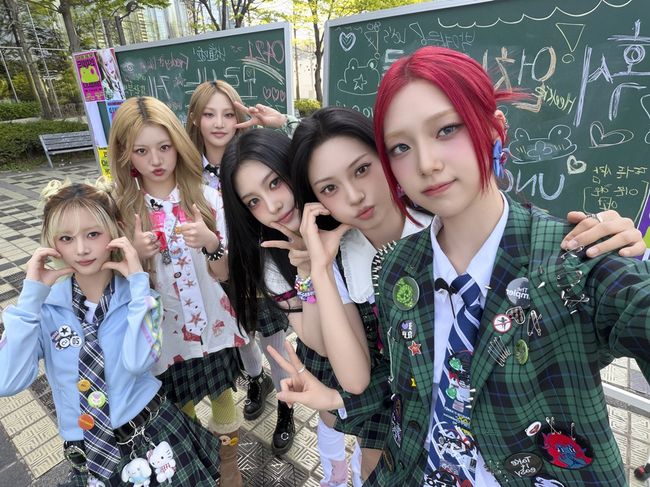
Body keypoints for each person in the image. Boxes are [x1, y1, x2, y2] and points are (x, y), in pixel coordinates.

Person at [269, 46, 650, 487]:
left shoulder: (576, 260)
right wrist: (336, 401)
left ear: (494, 128)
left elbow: (633, 306)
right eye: (401, 147)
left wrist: (631, 256)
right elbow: (410, 391)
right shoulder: (394, 267)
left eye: (447, 129)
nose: (427, 164)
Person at [0, 180, 223, 486]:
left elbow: (137, 362)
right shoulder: (44, 308)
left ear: (114, 232)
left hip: (151, 436)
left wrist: (139, 285)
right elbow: (7, 381)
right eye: (66, 238)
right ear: (52, 244)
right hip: (88, 453)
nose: (81, 249)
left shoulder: (140, 298)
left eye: (93, 234)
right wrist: (29, 299)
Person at [109, 96, 249, 486]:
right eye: (141, 151)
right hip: (163, 335)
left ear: (178, 144)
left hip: (212, 326)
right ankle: (197, 468)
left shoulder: (206, 197)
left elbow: (224, 272)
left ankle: (229, 464)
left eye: (164, 147)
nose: (156, 160)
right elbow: (118, 288)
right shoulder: (122, 210)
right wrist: (135, 255)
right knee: (179, 409)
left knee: (222, 396)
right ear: (125, 154)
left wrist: (210, 242)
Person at [221, 127, 363, 486]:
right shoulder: (273, 259)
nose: (272, 207)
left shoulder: (351, 211)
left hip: (396, 356)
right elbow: (318, 343)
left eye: (275, 183)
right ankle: (336, 473)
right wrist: (308, 271)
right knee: (333, 423)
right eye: (253, 201)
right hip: (338, 363)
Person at [185, 81, 297, 437]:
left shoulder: (251, 158)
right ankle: (255, 380)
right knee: (241, 339)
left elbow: (298, 161)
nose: (219, 123)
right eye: (209, 114)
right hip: (218, 274)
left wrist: (283, 123)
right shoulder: (186, 170)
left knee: (274, 342)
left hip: (262, 269)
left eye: (228, 114)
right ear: (195, 118)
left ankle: (286, 404)